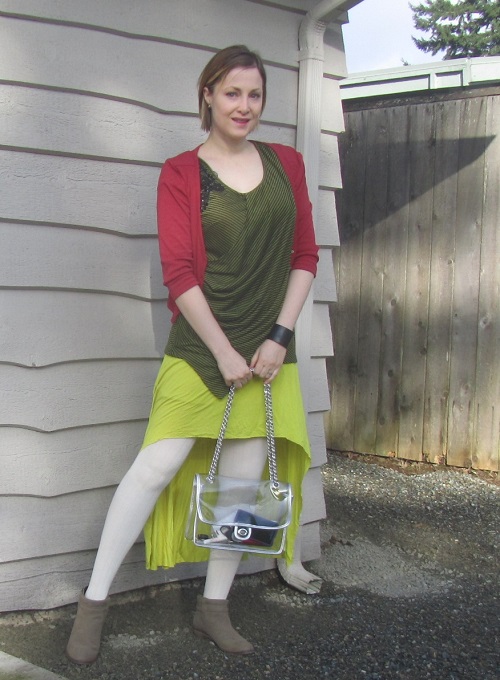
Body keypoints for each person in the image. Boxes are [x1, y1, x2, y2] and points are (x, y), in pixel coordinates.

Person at [65, 44, 319, 665]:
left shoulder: (286, 163)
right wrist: (224, 350)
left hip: (267, 353)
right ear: (207, 95)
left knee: (240, 484)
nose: (244, 106)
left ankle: (214, 607)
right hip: (203, 349)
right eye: (232, 93)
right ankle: (93, 604)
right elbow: (178, 273)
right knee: (154, 466)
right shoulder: (181, 172)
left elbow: (305, 255)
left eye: (255, 95)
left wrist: (278, 338)